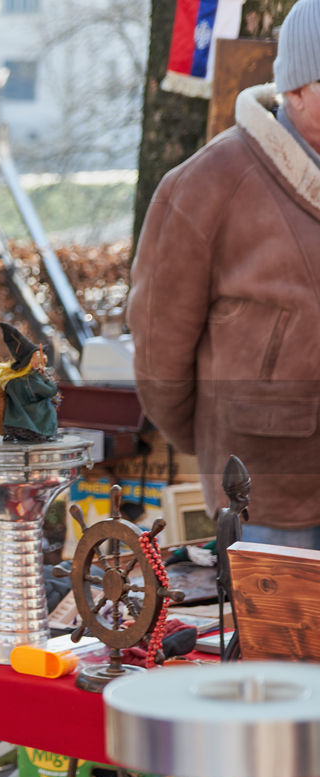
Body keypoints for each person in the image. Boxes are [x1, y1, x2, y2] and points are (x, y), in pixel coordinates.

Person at [129, 0, 320, 547]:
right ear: (298, 86)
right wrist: (216, 443)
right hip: (267, 485)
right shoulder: (210, 181)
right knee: (277, 634)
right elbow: (159, 344)